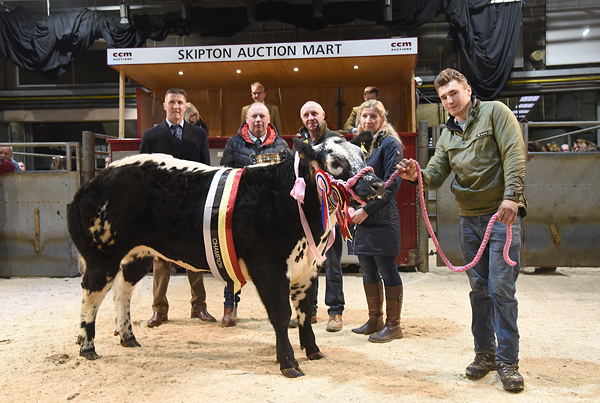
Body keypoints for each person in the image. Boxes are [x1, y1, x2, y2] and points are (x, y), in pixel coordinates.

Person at [397, 68, 527, 393]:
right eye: (443, 97)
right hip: (469, 220)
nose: (449, 100)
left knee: (501, 288)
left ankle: (508, 362)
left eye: (453, 93)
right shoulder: (446, 135)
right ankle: (485, 354)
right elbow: (436, 175)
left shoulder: (496, 113)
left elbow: (514, 153)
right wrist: (416, 174)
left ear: (468, 89)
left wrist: (512, 197)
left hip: (501, 217)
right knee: (479, 290)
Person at [140, 87, 216, 328]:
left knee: (195, 257)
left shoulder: (198, 134)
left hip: (192, 207)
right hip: (162, 210)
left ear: (186, 106)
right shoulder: (150, 136)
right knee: (161, 260)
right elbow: (144, 175)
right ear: (164, 106)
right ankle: (159, 310)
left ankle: (199, 307)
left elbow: (206, 171)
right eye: (171, 102)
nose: (175, 107)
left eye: (180, 103)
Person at [219, 102, 290, 326]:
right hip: (242, 215)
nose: (258, 120)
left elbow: (288, 179)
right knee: (233, 262)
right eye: (254, 117)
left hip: (272, 217)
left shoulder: (281, 145)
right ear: (246, 120)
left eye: (262, 116)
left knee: (279, 265)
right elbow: (224, 174)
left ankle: (282, 311)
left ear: (269, 119)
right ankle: (230, 307)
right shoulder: (233, 143)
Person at [348, 99, 404, 343]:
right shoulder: (359, 145)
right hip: (361, 218)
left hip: (381, 218)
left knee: (387, 269)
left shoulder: (390, 144)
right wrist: (350, 208)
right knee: (368, 269)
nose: (368, 120)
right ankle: (375, 319)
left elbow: (392, 184)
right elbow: (350, 181)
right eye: (364, 116)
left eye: (373, 116)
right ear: (359, 119)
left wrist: (366, 210)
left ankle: (394, 325)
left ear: (382, 119)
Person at [289, 100, 345, 332]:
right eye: (306, 115)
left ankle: (335, 313)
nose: (311, 118)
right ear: (302, 119)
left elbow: (342, 172)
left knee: (332, 264)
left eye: (314, 113)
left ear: (323, 115)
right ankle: (308, 312)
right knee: (307, 265)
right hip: (308, 214)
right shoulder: (298, 143)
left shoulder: (336, 140)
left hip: (330, 212)